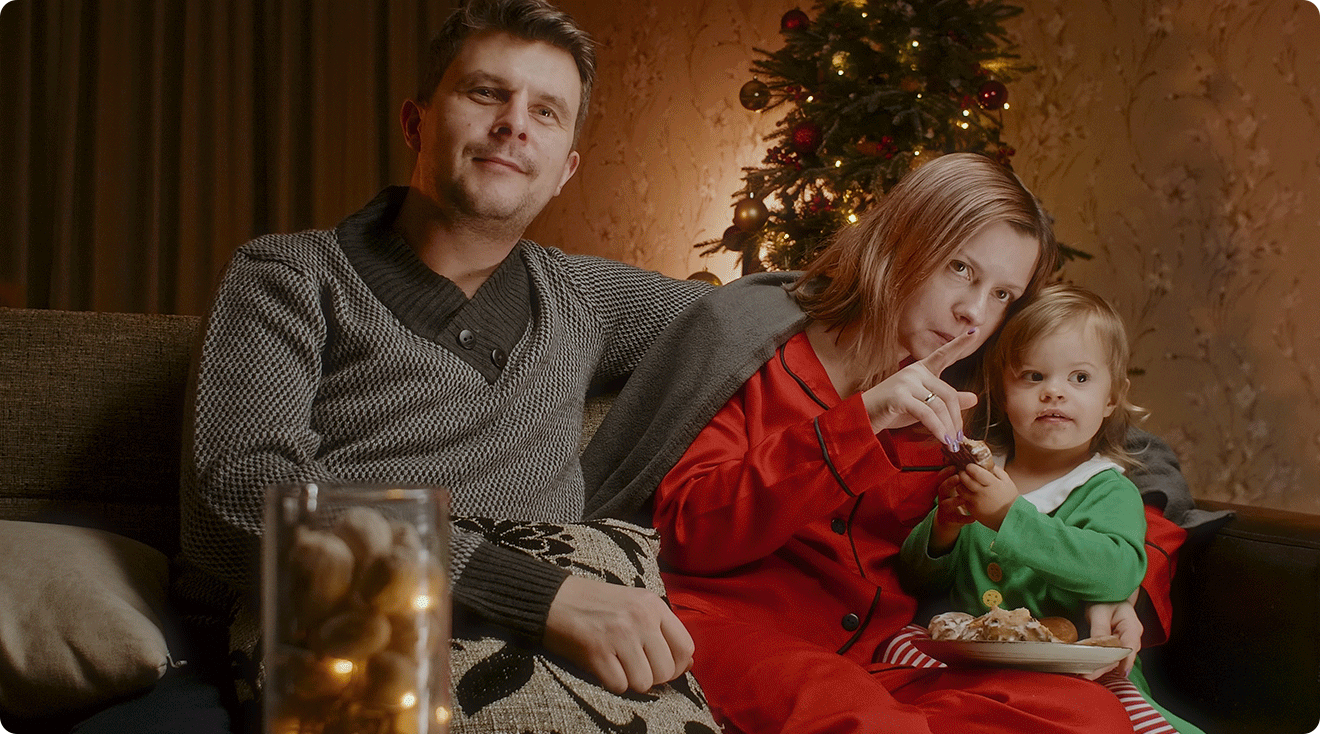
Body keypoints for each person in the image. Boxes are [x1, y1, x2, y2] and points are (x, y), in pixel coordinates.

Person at [156, 1, 713, 732]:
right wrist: (537, 596)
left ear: (565, 171)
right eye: (487, 93)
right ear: (416, 122)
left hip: (569, 606)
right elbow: (236, 494)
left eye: (547, 112)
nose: (515, 122)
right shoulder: (289, 276)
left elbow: (764, 321)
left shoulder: (587, 297)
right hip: (355, 601)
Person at [578, 151, 1222, 733]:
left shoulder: (977, 380)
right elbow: (691, 532)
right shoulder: (752, 342)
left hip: (888, 655)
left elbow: (1135, 459)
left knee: (1085, 711)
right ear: (904, 245)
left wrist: (1121, 592)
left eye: (1003, 294)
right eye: (960, 269)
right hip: (735, 628)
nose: (975, 311)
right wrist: (859, 422)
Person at [897, 282, 1203, 733]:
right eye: (1034, 376)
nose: (1054, 393)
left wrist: (1008, 517)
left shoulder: (1105, 489)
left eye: (1079, 378)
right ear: (1003, 392)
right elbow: (917, 583)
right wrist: (942, 531)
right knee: (899, 647)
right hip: (976, 664)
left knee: (1139, 723)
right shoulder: (983, 474)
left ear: (1112, 398)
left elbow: (1118, 572)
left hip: (1079, 669)